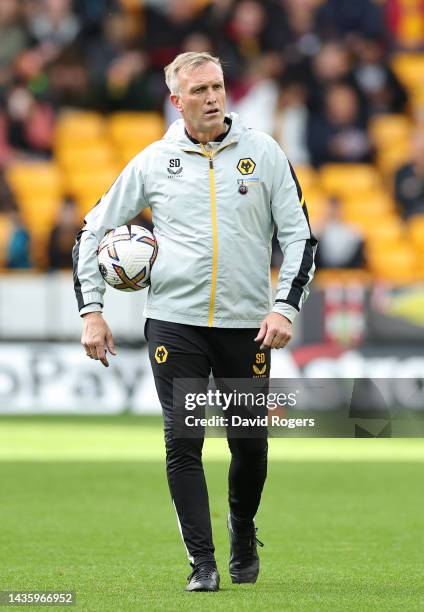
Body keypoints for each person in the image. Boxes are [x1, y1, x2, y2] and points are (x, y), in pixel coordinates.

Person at [72, 52, 317, 592]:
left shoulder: (265, 153)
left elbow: (300, 237)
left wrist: (284, 307)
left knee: (249, 446)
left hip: (248, 325)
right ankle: (202, 565)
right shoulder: (153, 162)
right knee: (183, 442)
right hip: (174, 323)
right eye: (199, 90)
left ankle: (243, 527)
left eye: (218, 86)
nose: (212, 97)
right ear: (175, 100)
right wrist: (92, 311)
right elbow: (91, 232)